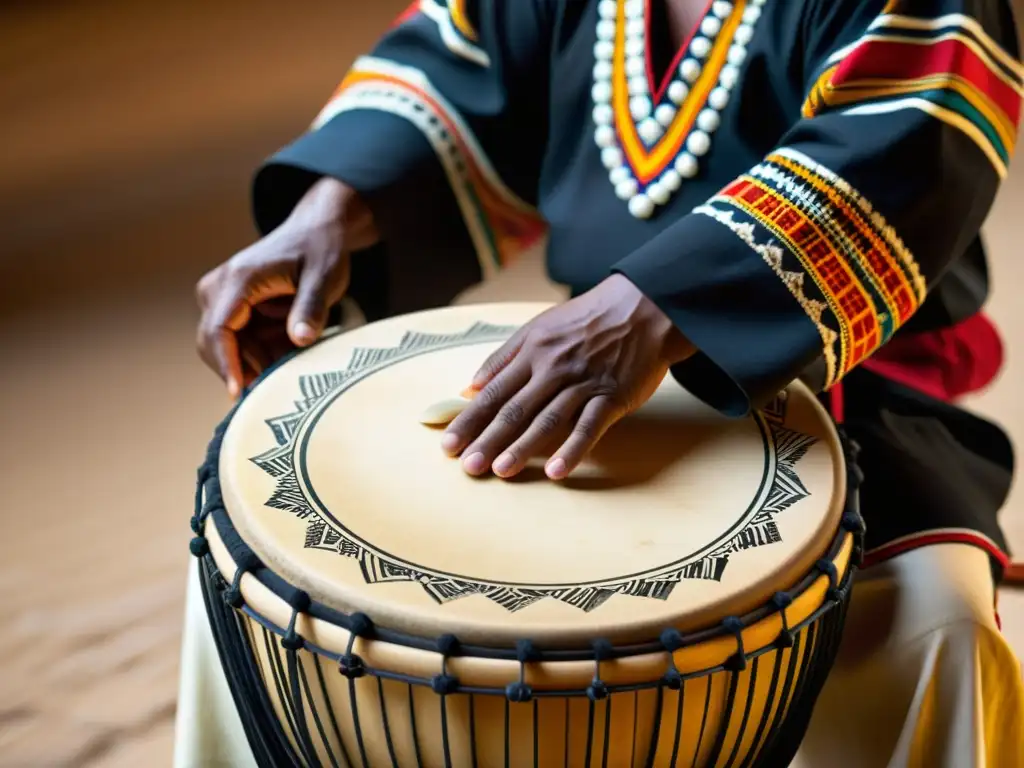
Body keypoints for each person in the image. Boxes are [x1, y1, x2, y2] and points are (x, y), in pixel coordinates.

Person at [183, 0, 1024, 764]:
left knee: (934, 622)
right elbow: (459, 71)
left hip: (852, 396)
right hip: (578, 381)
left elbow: (911, 145)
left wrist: (653, 308)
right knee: (258, 569)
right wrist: (332, 206)